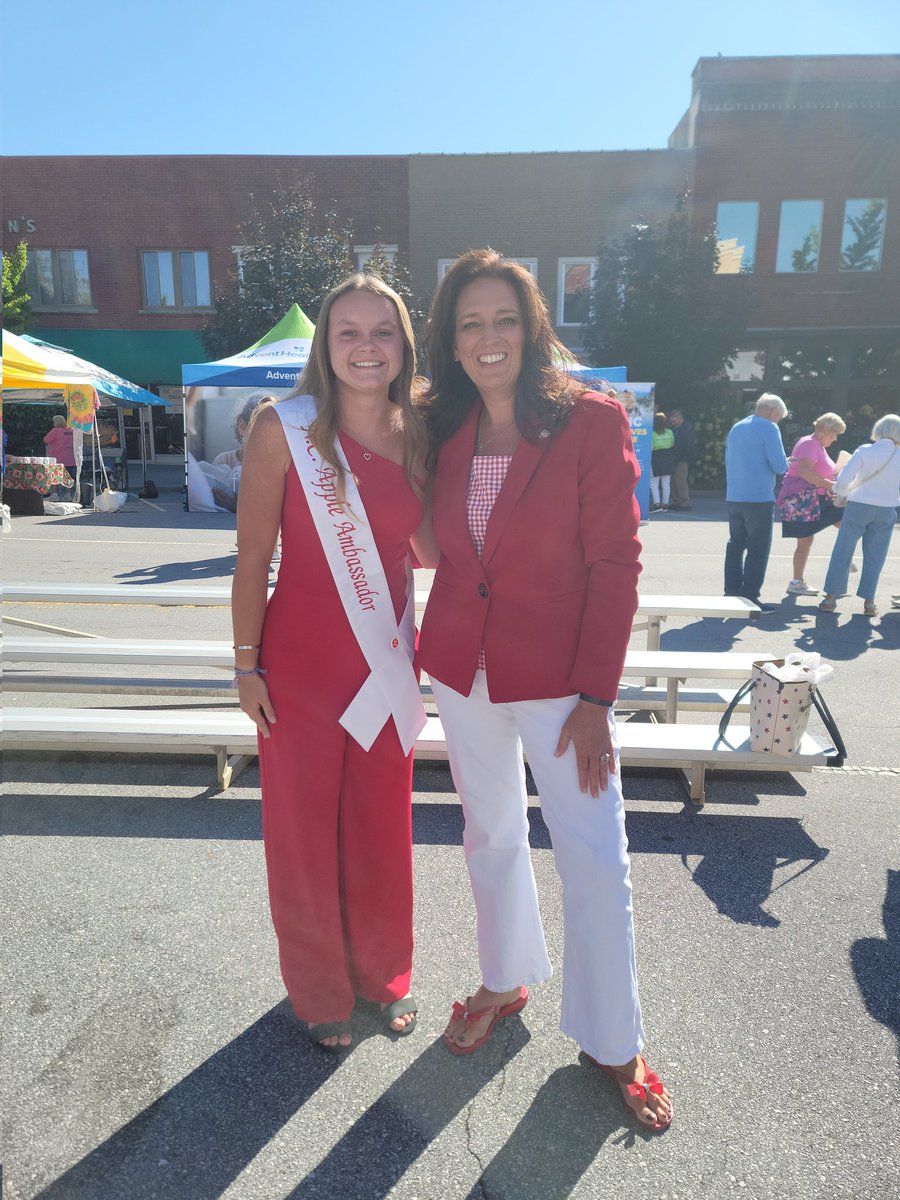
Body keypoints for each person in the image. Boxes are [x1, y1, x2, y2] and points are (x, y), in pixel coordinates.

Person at [417, 249, 673, 1133]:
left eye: (505, 320)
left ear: (532, 326)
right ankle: (505, 976)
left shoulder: (592, 424)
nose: (489, 339)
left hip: (565, 684)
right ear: (450, 342)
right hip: (464, 669)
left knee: (595, 855)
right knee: (489, 831)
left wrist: (599, 698)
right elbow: (432, 547)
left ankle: (613, 1038)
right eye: (470, 324)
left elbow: (617, 564)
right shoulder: (439, 429)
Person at [232, 274, 436, 1050]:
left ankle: (382, 976)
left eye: (382, 332)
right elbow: (252, 560)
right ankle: (318, 990)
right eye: (347, 332)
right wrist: (246, 665)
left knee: (382, 825)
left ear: (402, 344)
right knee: (303, 832)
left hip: (386, 657)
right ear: (324, 343)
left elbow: (429, 549)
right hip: (299, 662)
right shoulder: (281, 428)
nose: (365, 347)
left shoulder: (419, 429)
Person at [818, 413, 900, 617]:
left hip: (859, 505)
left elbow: (845, 479)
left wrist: (840, 491)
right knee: (875, 556)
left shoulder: (865, 450)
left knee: (843, 550)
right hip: (887, 508)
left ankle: (830, 597)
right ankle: (869, 602)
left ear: (878, 431)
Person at [723, 393, 789, 612]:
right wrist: (787, 462)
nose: (778, 420)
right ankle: (750, 596)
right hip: (758, 496)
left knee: (736, 543)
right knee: (758, 547)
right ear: (772, 412)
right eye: (779, 416)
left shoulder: (737, 427)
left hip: (734, 494)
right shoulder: (770, 428)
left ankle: (731, 592)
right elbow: (780, 466)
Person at [776, 413, 846, 595]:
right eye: (835, 433)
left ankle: (798, 581)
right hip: (808, 498)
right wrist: (831, 484)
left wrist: (833, 478)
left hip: (815, 497)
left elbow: (815, 471)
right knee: (809, 539)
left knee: (841, 527)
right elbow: (805, 472)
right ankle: (798, 581)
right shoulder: (810, 444)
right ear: (825, 430)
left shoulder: (814, 443)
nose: (836, 438)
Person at [212, 394, 276, 512]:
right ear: (242, 426)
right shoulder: (224, 460)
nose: (268, 436)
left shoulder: (279, 463)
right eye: (259, 427)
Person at [42, 415, 76, 500]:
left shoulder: (55, 431)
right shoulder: (70, 431)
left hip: (57, 459)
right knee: (68, 477)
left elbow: (45, 440)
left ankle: (55, 495)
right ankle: (68, 495)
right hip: (70, 458)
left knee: (54, 475)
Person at [668, 409, 695, 510]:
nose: (672, 421)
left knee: (681, 481)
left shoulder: (686, 428)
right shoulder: (674, 428)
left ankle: (684, 502)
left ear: (680, 418)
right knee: (674, 482)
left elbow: (689, 445)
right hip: (674, 459)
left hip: (682, 460)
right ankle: (677, 501)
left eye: (674, 419)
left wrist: (685, 458)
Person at [650, 411, 675, 512]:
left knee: (654, 482)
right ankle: (665, 504)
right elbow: (672, 443)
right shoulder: (670, 432)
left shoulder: (653, 433)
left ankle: (657, 504)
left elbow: (652, 447)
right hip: (668, 456)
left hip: (656, 457)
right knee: (666, 482)